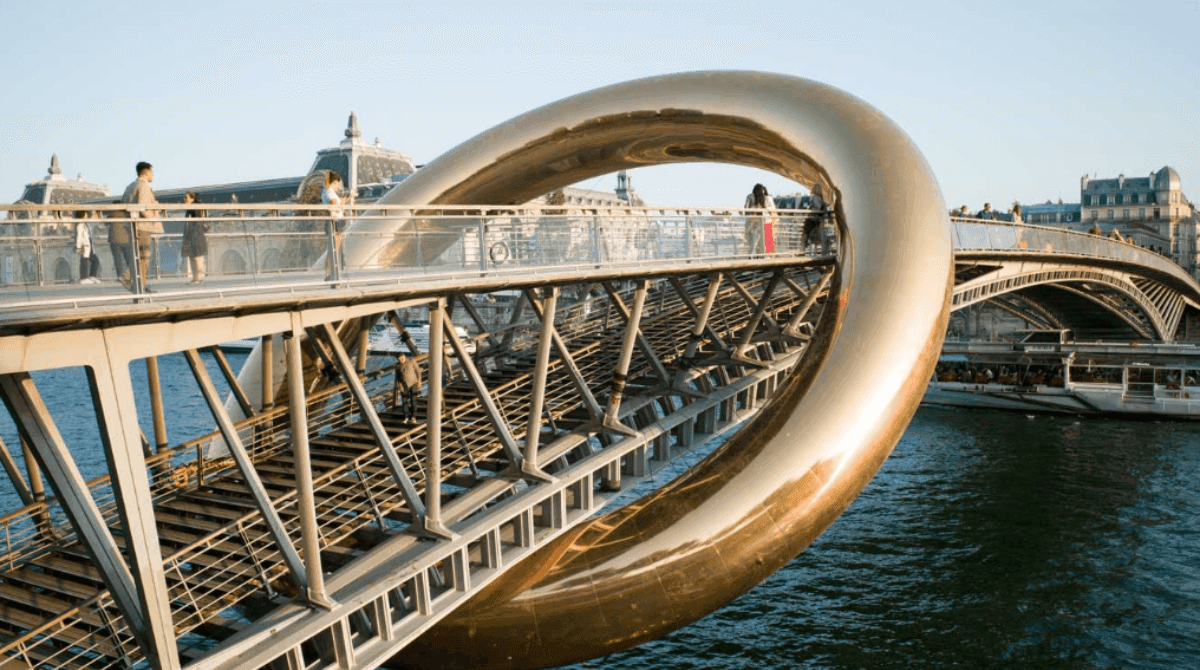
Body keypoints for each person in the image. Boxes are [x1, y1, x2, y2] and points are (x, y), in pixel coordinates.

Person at [121, 161, 161, 292]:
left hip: (131, 225)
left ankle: (138, 285)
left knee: (138, 255)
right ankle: (132, 280)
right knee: (144, 255)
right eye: (152, 172)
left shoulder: (131, 186)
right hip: (142, 226)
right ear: (147, 172)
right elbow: (143, 206)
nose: (153, 175)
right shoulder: (143, 186)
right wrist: (152, 218)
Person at [181, 191, 209, 285]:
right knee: (192, 256)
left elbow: (197, 222)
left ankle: (198, 278)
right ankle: (195, 277)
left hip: (196, 234)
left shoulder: (195, 207)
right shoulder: (189, 208)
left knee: (197, 256)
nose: (184, 199)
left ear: (192, 199)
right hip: (191, 234)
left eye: (186, 197)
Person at [322, 171, 345, 281]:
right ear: (334, 182)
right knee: (333, 249)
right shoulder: (329, 192)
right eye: (337, 184)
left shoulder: (327, 192)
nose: (338, 187)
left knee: (334, 249)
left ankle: (331, 272)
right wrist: (341, 203)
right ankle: (330, 273)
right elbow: (333, 204)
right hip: (334, 221)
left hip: (335, 221)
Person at [743, 183, 773, 255]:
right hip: (759, 221)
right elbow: (769, 210)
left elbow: (746, 209)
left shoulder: (751, 196)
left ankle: (753, 255)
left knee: (753, 241)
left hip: (754, 221)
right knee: (759, 241)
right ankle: (757, 255)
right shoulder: (762, 197)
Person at [73, 211, 101, 284]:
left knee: (95, 260)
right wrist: (78, 247)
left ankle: (92, 276)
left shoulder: (86, 224)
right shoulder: (80, 225)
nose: (86, 215)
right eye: (85, 214)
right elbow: (79, 236)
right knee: (84, 261)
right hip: (84, 245)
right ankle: (83, 278)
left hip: (89, 244)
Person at [393, 352, 422, 422]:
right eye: (399, 359)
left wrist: (419, 381)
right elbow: (397, 377)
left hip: (413, 383)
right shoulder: (397, 365)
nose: (401, 360)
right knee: (404, 401)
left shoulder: (411, 361)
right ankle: (406, 417)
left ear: (404, 356)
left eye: (402, 358)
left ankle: (413, 416)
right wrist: (399, 386)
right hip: (404, 385)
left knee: (413, 400)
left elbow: (418, 371)